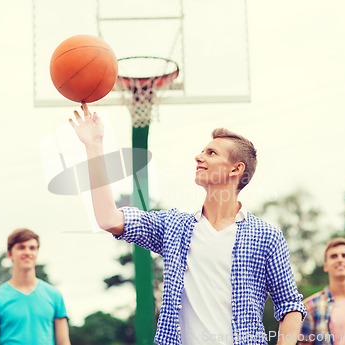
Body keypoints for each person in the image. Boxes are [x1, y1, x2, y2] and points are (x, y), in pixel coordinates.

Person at [69, 103, 306, 345]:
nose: (199, 156)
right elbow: (108, 218)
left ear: (236, 168)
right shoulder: (174, 226)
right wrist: (94, 146)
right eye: (203, 151)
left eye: (211, 153)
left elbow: (290, 306)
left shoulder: (265, 236)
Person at [0, 228, 71, 345]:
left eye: (32, 248)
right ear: (9, 254)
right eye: (21, 247)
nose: (27, 252)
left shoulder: (54, 295)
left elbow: (63, 342)